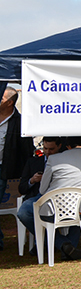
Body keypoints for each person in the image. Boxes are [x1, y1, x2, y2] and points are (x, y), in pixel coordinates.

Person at [17, 136, 81, 260]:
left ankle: (62, 244)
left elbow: (42, 189)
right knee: (80, 211)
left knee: (24, 212)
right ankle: (66, 246)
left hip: (52, 206)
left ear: (67, 146)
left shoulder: (54, 159)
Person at [0, 86, 35, 251]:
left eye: (1, 97)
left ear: (9, 102)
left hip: (5, 170)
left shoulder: (20, 122)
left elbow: (26, 151)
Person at [18, 137, 65, 202]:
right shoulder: (32, 162)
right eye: (45, 148)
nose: (48, 152)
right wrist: (32, 180)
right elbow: (21, 189)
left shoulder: (65, 163)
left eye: (51, 149)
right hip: (36, 198)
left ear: (59, 146)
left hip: (58, 197)